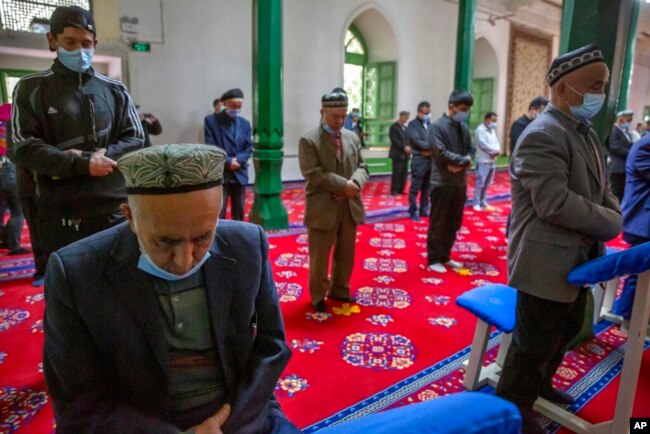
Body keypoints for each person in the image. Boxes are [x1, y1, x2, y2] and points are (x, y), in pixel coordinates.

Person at [43, 144, 301, 434]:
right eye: (166, 242)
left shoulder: (247, 246)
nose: (185, 259)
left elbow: (271, 348)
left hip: (237, 413)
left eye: (203, 237)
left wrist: (229, 424)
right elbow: (80, 401)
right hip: (139, 423)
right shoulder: (77, 273)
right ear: (130, 217)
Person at [496, 44, 622, 434]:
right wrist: (611, 222)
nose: (600, 94)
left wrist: (611, 213)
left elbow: (602, 187)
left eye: (603, 85)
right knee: (532, 344)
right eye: (594, 86)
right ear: (564, 90)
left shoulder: (581, 131)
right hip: (544, 260)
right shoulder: (542, 134)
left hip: (579, 259)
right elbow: (554, 203)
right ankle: (512, 412)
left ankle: (540, 388)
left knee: (564, 332)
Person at [10, 5, 144, 276]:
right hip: (61, 213)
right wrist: (81, 163)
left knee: (121, 283)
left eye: (85, 43)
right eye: (69, 42)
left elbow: (136, 138)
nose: (79, 50)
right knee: (71, 288)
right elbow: (22, 145)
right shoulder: (31, 88)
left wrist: (102, 156)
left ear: (95, 44)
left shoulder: (115, 90)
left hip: (113, 208)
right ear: (52, 41)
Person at [298, 90, 369, 312]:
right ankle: (318, 296)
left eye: (343, 116)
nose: (339, 121)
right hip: (323, 207)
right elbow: (313, 173)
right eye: (334, 116)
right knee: (319, 257)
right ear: (322, 113)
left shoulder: (352, 137)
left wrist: (355, 184)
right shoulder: (309, 140)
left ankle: (340, 289)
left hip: (349, 206)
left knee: (346, 253)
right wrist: (343, 186)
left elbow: (363, 166)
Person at [426, 90, 475, 273]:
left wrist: (463, 164)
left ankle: (445, 256)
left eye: (468, 109)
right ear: (451, 106)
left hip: (459, 183)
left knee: (454, 223)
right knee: (438, 223)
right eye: (463, 109)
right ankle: (433, 259)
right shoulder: (437, 127)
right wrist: (466, 162)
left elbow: (471, 149)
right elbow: (441, 154)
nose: (465, 112)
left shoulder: (463, 127)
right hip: (442, 183)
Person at [611, 134, 650, 326]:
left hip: (644, 221)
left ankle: (640, 316)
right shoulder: (645, 146)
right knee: (639, 273)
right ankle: (629, 318)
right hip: (641, 222)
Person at [204, 88, 253, 221]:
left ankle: (238, 239)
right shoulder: (211, 121)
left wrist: (239, 160)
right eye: (233, 105)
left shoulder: (245, 123)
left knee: (240, 212)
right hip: (221, 172)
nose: (236, 108)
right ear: (224, 103)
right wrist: (229, 161)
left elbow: (249, 146)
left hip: (239, 172)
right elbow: (211, 146)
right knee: (219, 212)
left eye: (239, 106)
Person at [407, 101, 433, 221]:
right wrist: (430, 147)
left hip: (430, 160)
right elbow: (417, 141)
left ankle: (424, 210)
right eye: (425, 113)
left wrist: (430, 148)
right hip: (419, 160)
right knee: (415, 188)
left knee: (427, 188)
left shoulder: (430, 125)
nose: (428, 115)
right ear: (419, 112)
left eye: (429, 113)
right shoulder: (412, 125)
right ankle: (413, 211)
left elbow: (436, 140)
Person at [473, 112, 501, 212]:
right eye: (493, 121)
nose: (494, 123)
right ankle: (476, 202)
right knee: (480, 183)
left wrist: (497, 151)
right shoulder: (479, 130)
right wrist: (492, 152)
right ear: (486, 119)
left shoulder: (492, 130)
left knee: (487, 183)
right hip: (483, 160)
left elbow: (496, 142)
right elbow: (482, 144)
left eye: (495, 121)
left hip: (492, 160)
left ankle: (483, 201)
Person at [606, 109, 634, 202]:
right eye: (628, 120)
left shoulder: (624, 131)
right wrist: (631, 153)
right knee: (615, 192)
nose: (629, 123)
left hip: (623, 168)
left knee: (620, 193)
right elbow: (614, 147)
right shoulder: (615, 130)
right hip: (617, 167)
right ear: (621, 119)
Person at [388, 111, 411, 195]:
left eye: (407, 118)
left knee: (404, 173)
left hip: (406, 155)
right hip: (397, 154)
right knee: (397, 173)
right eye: (405, 118)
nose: (406, 120)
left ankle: (401, 189)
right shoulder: (394, 127)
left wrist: (409, 147)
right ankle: (394, 190)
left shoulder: (406, 128)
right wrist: (403, 147)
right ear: (401, 117)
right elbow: (394, 140)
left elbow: (408, 140)